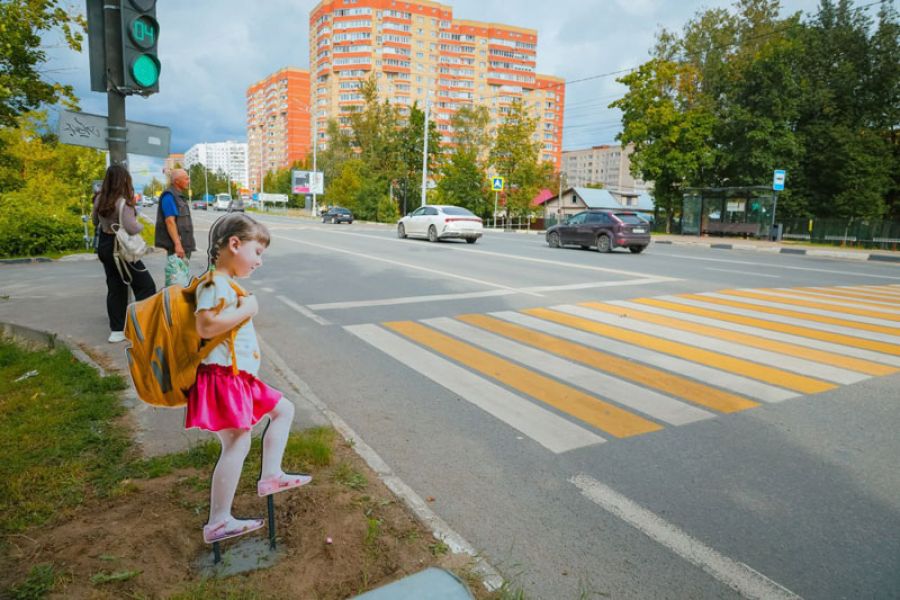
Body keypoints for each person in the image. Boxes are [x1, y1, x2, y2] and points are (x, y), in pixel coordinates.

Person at [187, 213, 311, 544]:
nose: (259, 261)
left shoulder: (225, 284)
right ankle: (218, 522)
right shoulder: (213, 284)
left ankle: (271, 475)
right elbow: (206, 326)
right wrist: (248, 309)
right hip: (224, 378)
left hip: (238, 378)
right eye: (257, 252)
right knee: (237, 443)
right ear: (234, 244)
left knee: (283, 410)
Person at [92, 165, 157, 343]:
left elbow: (95, 221)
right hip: (121, 249)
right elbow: (131, 228)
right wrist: (140, 223)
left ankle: (117, 330)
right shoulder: (123, 203)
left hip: (105, 246)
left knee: (115, 287)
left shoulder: (99, 199)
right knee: (146, 286)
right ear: (124, 181)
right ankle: (143, 326)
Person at [155, 168, 196, 262]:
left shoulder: (179, 196)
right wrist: (178, 245)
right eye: (186, 179)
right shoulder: (169, 196)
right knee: (177, 271)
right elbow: (170, 221)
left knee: (183, 271)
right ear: (177, 181)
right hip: (176, 248)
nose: (189, 181)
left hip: (184, 245)